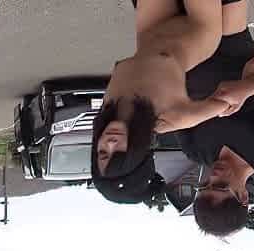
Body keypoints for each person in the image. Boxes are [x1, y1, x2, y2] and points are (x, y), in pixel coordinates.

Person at [91, 0, 234, 204]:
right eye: (121, 153)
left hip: (152, 26)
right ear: (137, 154)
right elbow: (228, 102)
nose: (111, 143)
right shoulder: (167, 119)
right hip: (199, 28)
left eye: (103, 153)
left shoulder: (109, 109)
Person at [178, 0, 254, 236]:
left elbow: (174, 103)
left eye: (204, 185)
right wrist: (246, 87)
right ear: (243, 196)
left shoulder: (194, 151)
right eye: (220, 186)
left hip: (186, 45)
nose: (213, 176)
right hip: (231, 38)